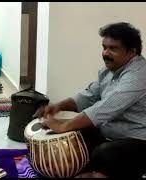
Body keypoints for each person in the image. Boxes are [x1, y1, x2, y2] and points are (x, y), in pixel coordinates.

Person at [33, 22, 146, 178]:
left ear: (132, 52)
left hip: (138, 140)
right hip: (109, 135)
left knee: (104, 153)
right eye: (104, 47)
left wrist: (63, 126)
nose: (105, 53)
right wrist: (58, 107)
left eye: (113, 48)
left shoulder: (139, 75)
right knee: (74, 137)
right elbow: (87, 97)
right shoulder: (108, 72)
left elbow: (104, 108)